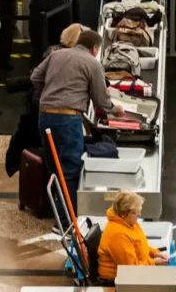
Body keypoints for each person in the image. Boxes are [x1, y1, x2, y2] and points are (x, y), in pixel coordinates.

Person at [30, 27, 120, 213]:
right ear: (95, 48)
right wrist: (115, 110)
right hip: (68, 120)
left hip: (45, 115)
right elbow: (101, 100)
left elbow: (35, 76)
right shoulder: (92, 63)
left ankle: (56, 211)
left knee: (53, 166)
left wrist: (49, 94)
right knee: (70, 170)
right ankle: (66, 220)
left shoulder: (56, 55)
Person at [98, 191, 169, 281]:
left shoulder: (129, 223)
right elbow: (131, 268)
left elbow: (139, 244)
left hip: (138, 270)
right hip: (118, 280)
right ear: (123, 213)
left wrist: (154, 253)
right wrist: (153, 262)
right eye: (135, 212)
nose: (139, 215)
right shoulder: (118, 234)